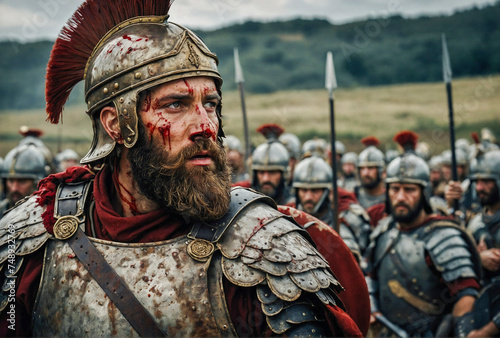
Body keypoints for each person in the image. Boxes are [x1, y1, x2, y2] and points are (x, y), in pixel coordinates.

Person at [0, 1, 366, 336]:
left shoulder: (263, 251)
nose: (206, 125)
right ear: (116, 124)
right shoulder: (30, 240)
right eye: (176, 104)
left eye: (211, 104)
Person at [364, 131, 481, 337]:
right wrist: (372, 308)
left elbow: (467, 292)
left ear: (424, 192)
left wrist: (462, 331)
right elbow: (371, 277)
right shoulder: (383, 231)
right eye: (395, 189)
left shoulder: (443, 236)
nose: (400, 197)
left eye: (409, 189)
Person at [291, 156, 372, 262]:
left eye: (315, 191)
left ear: (327, 192)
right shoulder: (289, 217)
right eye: (304, 190)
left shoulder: (345, 219)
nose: (308, 197)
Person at [464, 149, 500, 337]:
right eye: (477, 181)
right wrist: (478, 258)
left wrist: (487, 333)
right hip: (481, 310)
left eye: (486, 181)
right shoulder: (475, 222)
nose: (479, 187)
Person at [246, 124, 295, 205]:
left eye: (272, 172)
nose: (265, 179)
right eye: (261, 172)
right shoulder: (247, 203)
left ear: (284, 174)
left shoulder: (293, 207)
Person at [0, 144, 51, 216]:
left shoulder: (45, 215)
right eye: (11, 181)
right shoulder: (1, 210)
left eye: (22, 181)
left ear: (36, 183)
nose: (14, 188)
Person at [354, 136, 386, 209]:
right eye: (362, 168)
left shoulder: (390, 198)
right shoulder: (354, 197)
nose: (365, 173)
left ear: (381, 171)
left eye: (370, 168)